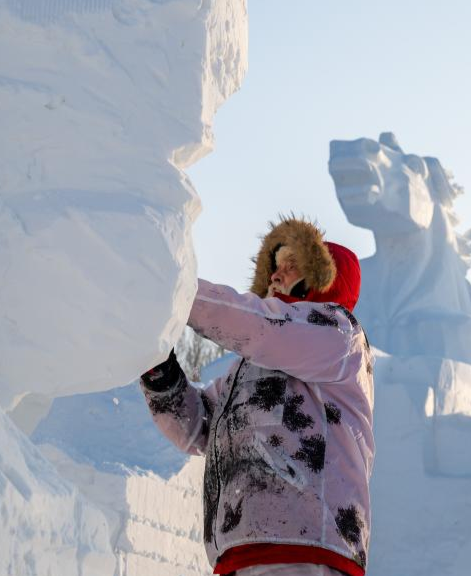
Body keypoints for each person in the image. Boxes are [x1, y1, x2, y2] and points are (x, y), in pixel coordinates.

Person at [139, 216, 375, 576]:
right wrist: (158, 368)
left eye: (291, 265)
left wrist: (175, 292)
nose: (275, 276)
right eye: (274, 269)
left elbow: (261, 326)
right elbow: (197, 427)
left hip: (308, 553)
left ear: (323, 276)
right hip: (241, 555)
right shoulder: (246, 372)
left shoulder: (338, 334)